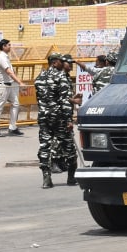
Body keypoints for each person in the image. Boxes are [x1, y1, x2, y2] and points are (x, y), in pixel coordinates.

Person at [35, 52, 80, 188]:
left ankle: (46, 179)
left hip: (44, 117)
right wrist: (69, 120)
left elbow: (40, 100)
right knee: (69, 147)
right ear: (54, 62)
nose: (63, 63)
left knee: (45, 147)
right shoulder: (61, 77)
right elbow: (65, 101)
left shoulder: (39, 77)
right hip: (59, 118)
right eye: (61, 61)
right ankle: (71, 178)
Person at [0, 38, 25, 137]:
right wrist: (20, 82)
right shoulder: (1, 57)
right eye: (8, 45)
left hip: (10, 85)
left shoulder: (6, 57)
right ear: (3, 46)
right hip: (3, 86)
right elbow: (8, 71)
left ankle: (12, 127)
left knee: (16, 104)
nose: (10, 47)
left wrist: (16, 83)